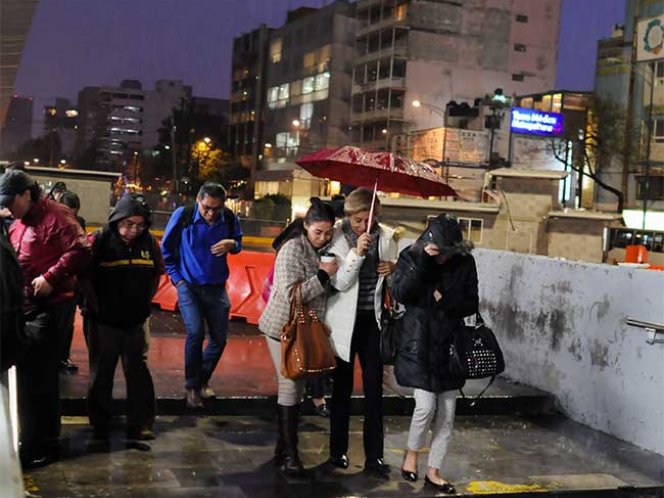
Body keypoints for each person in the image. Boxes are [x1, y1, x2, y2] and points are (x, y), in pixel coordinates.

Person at [0, 169, 90, 469]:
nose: (8, 208)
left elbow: (82, 248)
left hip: (50, 308)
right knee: (28, 378)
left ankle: (44, 443)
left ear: (26, 194)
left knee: (39, 378)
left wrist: (52, 276)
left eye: (11, 201)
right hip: (26, 307)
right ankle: (33, 439)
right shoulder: (19, 221)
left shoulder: (57, 216)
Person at [391, 214, 478, 494]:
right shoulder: (412, 256)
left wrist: (446, 300)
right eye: (437, 252)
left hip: (450, 346)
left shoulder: (465, 262)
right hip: (419, 342)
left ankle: (434, 470)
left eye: (446, 253)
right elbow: (401, 292)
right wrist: (424, 263)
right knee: (426, 407)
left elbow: (470, 302)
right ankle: (412, 454)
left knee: (448, 414)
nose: (442, 258)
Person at [323, 187, 400, 477]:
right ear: (348, 215)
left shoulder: (388, 236)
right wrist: (356, 253)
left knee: (374, 391)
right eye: (357, 220)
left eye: (368, 220)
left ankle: (374, 457)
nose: (362, 225)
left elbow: (393, 283)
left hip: (373, 323)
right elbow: (340, 283)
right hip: (343, 324)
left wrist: (393, 268)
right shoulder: (337, 237)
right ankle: (337, 452)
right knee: (341, 390)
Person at [258, 198, 338, 477]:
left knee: (297, 387)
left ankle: (282, 450)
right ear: (306, 226)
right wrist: (323, 276)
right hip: (283, 327)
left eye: (328, 232)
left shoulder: (329, 248)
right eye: (318, 232)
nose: (323, 238)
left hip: (307, 330)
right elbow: (291, 294)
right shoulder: (292, 248)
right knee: (290, 385)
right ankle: (291, 455)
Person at [83, 194, 162, 441]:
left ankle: (140, 422)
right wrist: (95, 308)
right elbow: (83, 277)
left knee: (137, 370)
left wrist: (143, 305)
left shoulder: (149, 242)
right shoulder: (98, 240)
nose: (133, 230)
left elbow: (155, 275)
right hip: (102, 320)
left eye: (139, 225)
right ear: (116, 220)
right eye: (128, 224)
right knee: (102, 371)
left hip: (135, 320)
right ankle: (100, 423)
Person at [161, 182, 243, 409]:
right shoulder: (184, 215)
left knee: (219, 339)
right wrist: (177, 280)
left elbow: (238, 244)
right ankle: (191, 385)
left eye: (216, 208)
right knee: (195, 332)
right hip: (188, 285)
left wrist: (232, 244)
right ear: (198, 200)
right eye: (207, 207)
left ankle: (201, 380)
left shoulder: (227, 218)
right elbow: (166, 251)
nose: (211, 213)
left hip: (216, 287)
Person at [58, 190, 86, 373]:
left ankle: (62, 356)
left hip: (71, 280)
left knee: (68, 323)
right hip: (54, 279)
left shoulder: (79, 224)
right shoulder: (50, 221)